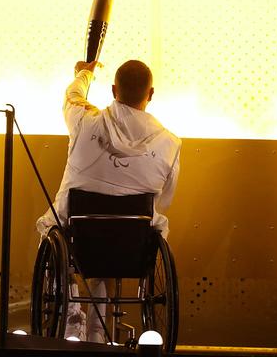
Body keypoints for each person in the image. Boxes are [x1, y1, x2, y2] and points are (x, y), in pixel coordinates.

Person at [37, 58, 181, 342]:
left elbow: (72, 97)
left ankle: (72, 315)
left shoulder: (84, 121)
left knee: (51, 227)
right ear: (150, 94)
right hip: (131, 246)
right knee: (124, 228)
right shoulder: (170, 144)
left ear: (114, 90)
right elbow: (165, 200)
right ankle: (98, 331)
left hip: (80, 238)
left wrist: (84, 74)